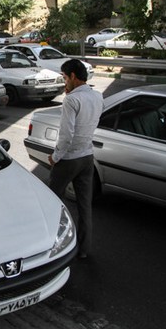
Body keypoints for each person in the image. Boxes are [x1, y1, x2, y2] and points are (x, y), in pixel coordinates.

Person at [47, 58, 104, 259]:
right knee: (84, 206)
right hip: (87, 156)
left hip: (69, 159)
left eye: (64, 77)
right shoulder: (98, 96)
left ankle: (54, 247)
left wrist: (55, 157)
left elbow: (66, 135)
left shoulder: (71, 100)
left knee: (52, 203)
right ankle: (84, 250)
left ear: (72, 76)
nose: (64, 82)